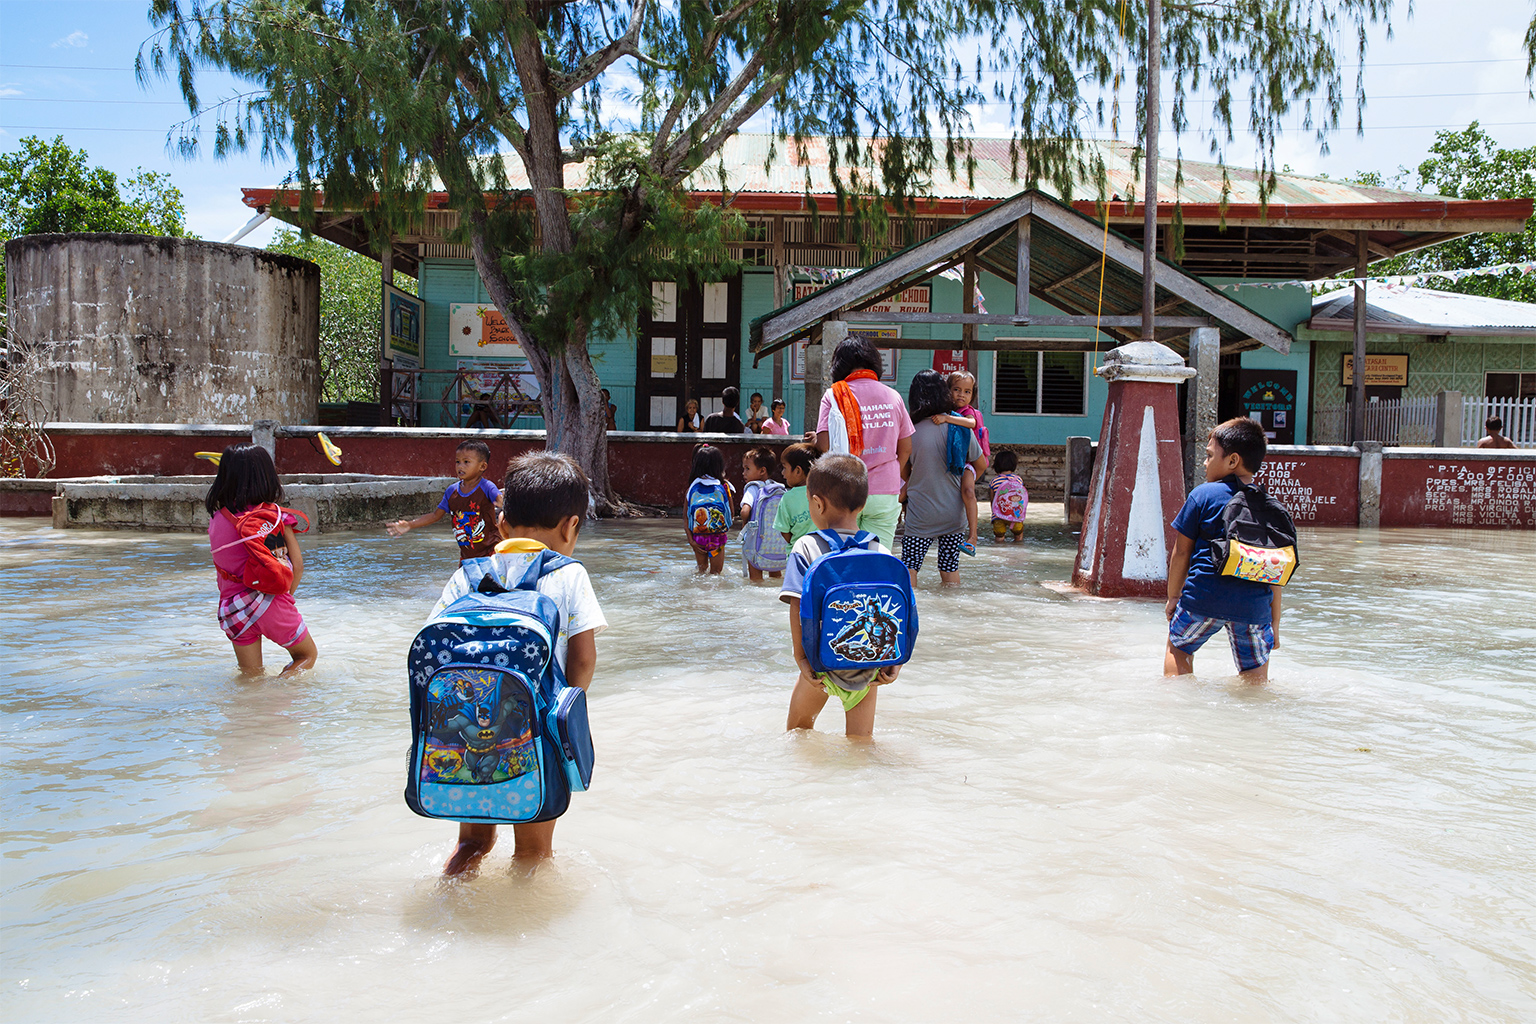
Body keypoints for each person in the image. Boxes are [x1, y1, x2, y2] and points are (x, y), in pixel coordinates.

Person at [429, 451, 606, 874]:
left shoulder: (468, 574)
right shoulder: (569, 575)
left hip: (464, 743)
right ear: (571, 526)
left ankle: (448, 897)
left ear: (502, 524)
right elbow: (582, 661)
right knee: (532, 853)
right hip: (538, 740)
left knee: (471, 844)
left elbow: (435, 650)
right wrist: (566, 719)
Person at [781, 454, 901, 739]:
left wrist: (801, 658)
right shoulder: (880, 551)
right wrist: (894, 664)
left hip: (819, 668)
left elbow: (797, 606)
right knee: (861, 744)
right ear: (862, 505)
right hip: (868, 670)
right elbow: (897, 612)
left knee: (797, 734)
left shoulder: (806, 547)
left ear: (817, 503)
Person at [1165, 417, 1284, 684]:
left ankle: (1174, 708)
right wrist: (1274, 624)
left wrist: (1174, 597)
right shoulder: (1270, 506)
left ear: (1232, 461)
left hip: (1203, 598)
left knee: (1179, 649)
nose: (1205, 463)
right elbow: (1275, 570)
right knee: (1254, 678)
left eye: (1209, 456)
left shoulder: (1203, 495)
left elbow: (1181, 553)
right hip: (1254, 608)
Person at [205, 444, 318, 676]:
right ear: (267, 476)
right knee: (306, 656)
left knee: (251, 677)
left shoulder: (216, 520)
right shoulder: (275, 517)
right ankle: (279, 693)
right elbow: (297, 565)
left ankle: (256, 709)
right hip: (273, 604)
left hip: (233, 609)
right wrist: (285, 599)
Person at [813, 336, 915, 549]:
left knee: (842, 560)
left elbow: (824, 445)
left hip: (843, 489)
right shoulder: (893, 396)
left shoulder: (834, 395)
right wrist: (892, 476)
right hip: (885, 491)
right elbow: (905, 449)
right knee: (879, 558)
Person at [900, 369, 984, 584]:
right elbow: (981, 464)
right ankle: (954, 613)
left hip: (920, 515)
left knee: (910, 568)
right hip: (953, 516)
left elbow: (903, 470)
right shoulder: (959, 427)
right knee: (949, 569)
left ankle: (914, 615)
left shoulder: (909, 432)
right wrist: (965, 481)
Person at [387, 440, 500, 564]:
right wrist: (410, 525)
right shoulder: (452, 491)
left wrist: (503, 503)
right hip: (467, 557)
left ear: (482, 466)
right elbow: (435, 516)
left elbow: (502, 501)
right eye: (458, 462)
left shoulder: (487, 487)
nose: (460, 466)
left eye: (466, 462)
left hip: (491, 553)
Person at [684, 443, 736, 574]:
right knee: (716, 574)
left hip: (698, 539)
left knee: (701, 572)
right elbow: (731, 513)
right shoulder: (724, 487)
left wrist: (691, 540)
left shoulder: (691, 488)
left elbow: (686, 516)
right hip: (717, 538)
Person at [737, 446, 787, 581]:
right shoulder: (777, 487)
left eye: (747, 468)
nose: (744, 473)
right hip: (776, 541)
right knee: (776, 575)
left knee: (756, 578)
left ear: (762, 471)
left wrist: (744, 524)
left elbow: (745, 510)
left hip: (756, 541)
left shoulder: (753, 487)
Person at [773, 442, 819, 546]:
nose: (782, 473)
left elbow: (784, 531)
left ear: (798, 471)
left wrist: (796, 543)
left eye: (784, 468)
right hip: (822, 552)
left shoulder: (787, 498)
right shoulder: (824, 492)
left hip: (798, 553)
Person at [947, 370, 991, 460]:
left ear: (972, 395)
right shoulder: (949, 410)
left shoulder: (967, 411)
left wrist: (947, 418)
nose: (961, 395)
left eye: (967, 392)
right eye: (956, 390)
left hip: (970, 460)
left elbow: (971, 423)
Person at [989, 449, 1029, 540]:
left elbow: (993, 500)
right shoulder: (1018, 480)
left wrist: (994, 514)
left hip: (998, 515)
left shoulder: (994, 481)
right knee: (1018, 536)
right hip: (1015, 515)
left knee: (999, 537)